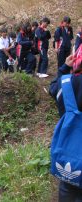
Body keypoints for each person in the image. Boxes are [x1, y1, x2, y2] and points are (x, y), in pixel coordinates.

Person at [49, 50, 82, 201]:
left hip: (71, 156)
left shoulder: (68, 83)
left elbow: (53, 88)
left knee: (69, 191)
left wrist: (64, 68)